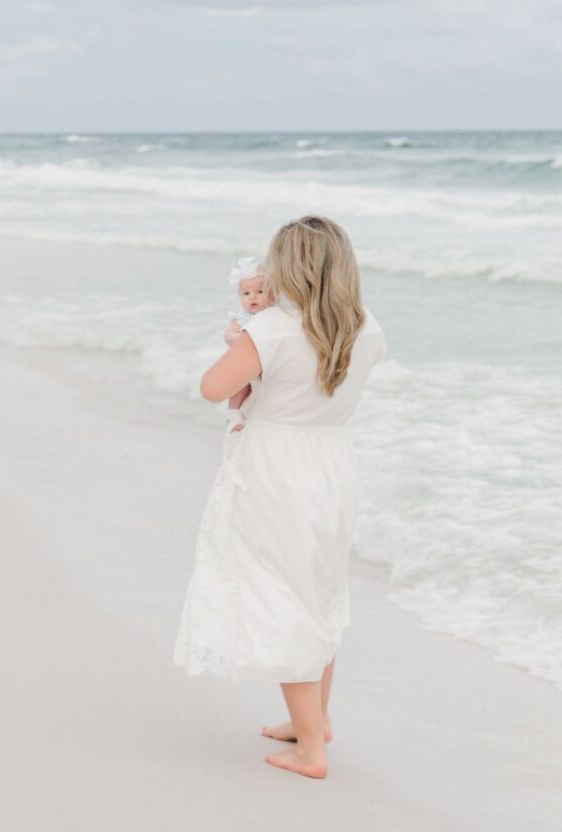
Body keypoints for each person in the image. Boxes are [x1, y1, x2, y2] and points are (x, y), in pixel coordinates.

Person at [173, 216, 386, 779]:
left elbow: (213, 387)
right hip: (333, 464)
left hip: (276, 468)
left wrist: (241, 339)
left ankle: (311, 749)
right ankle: (314, 721)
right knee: (317, 591)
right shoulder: (365, 328)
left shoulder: (272, 329)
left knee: (282, 596)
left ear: (288, 269)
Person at [223, 256, 271, 434]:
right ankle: (234, 415)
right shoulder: (241, 318)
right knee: (239, 384)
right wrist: (245, 340)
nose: (253, 297)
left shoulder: (272, 315)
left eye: (260, 292)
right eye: (246, 294)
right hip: (244, 359)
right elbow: (228, 335)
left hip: (264, 362)